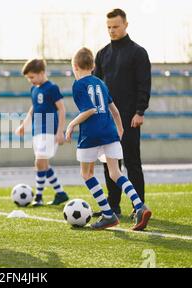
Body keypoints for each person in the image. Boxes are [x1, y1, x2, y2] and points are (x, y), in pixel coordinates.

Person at [65, 47, 151, 230]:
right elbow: (115, 110)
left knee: (86, 174)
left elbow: (89, 110)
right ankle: (139, 206)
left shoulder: (78, 85)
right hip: (110, 132)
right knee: (116, 173)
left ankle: (108, 214)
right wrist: (119, 129)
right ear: (94, 66)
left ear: (75, 66)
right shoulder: (101, 83)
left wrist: (72, 124)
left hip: (91, 134)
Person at [93, 8, 151, 218]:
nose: (112, 30)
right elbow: (96, 86)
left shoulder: (138, 53)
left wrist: (140, 111)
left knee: (132, 163)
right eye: (108, 27)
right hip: (107, 120)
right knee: (110, 163)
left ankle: (139, 207)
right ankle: (113, 207)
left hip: (130, 119)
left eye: (116, 26)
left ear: (126, 24)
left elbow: (144, 84)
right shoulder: (102, 54)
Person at [15, 59, 69, 206]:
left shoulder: (52, 88)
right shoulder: (34, 89)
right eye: (28, 78)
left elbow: (62, 109)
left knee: (39, 161)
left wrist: (60, 131)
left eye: (32, 77)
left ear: (41, 73)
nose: (30, 80)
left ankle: (38, 197)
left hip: (50, 130)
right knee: (42, 164)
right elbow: (33, 109)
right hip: (37, 130)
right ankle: (60, 193)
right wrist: (24, 125)